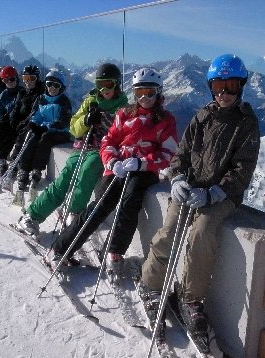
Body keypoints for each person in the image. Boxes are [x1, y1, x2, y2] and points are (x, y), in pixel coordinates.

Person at [137, 54, 261, 351]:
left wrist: (215, 192)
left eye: (231, 86)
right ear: (210, 87)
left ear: (241, 86)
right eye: (218, 86)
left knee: (202, 233)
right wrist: (178, 178)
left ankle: (191, 299)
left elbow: (243, 169)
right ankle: (151, 285)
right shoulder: (202, 117)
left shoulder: (246, 123)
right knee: (169, 231)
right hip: (191, 187)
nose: (224, 93)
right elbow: (180, 154)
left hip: (222, 195)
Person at [47, 67, 177, 272]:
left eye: (149, 92)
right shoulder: (124, 114)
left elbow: (168, 152)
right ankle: (61, 249)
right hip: (119, 167)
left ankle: (115, 250)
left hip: (144, 171)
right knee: (99, 205)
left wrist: (143, 163)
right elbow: (108, 141)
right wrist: (112, 161)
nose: (144, 98)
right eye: (139, 92)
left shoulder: (165, 120)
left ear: (158, 92)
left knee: (130, 200)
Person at [16, 63, 128, 237]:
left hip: (104, 150)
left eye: (109, 84)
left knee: (89, 169)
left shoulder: (123, 107)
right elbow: (74, 128)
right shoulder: (90, 101)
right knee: (65, 177)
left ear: (117, 84)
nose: (104, 89)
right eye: (100, 84)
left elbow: (125, 133)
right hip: (83, 146)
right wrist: (86, 120)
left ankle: (74, 212)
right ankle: (32, 215)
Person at [15, 69, 73, 191]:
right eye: (49, 84)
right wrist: (33, 124)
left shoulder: (64, 101)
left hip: (61, 132)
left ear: (61, 87)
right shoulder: (41, 98)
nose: (52, 88)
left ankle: (37, 169)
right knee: (32, 137)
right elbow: (36, 114)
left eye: (56, 85)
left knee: (45, 139)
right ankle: (24, 169)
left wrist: (47, 126)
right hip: (44, 129)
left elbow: (64, 121)